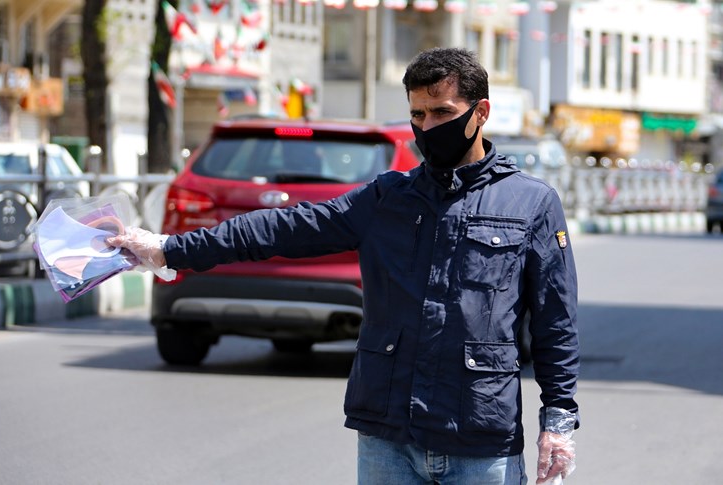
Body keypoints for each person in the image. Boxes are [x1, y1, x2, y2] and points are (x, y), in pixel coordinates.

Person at [107, 47, 579, 485]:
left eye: (443, 113)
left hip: (480, 437)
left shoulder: (531, 203)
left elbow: (555, 319)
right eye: (418, 114)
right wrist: (169, 248)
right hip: (388, 436)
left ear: (481, 113)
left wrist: (558, 420)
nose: (428, 127)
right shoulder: (386, 198)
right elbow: (282, 228)